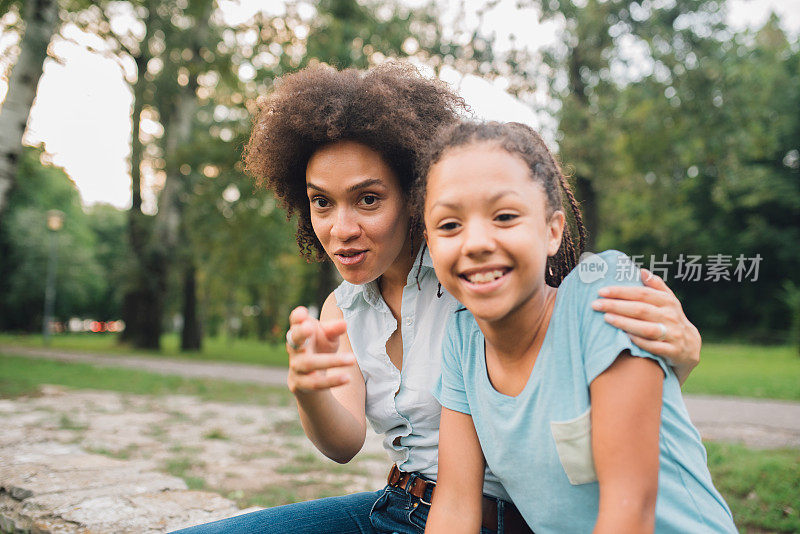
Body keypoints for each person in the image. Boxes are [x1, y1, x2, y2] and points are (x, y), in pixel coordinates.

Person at [173, 63, 702, 534]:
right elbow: (344, 443)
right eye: (321, 203)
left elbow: (576, 360)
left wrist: (680, 351)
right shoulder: (349, 310)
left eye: (369, 199)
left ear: (414, 196)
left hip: (497, 516)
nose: (343, 228)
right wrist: (309, 391)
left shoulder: (473, 286)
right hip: (397, 504)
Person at [420, 121, 736, 533]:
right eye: (449, 225)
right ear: (430, 243)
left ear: (552, 231)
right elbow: (455, 509)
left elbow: (630, 509)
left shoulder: (602, 292)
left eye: (505, 216)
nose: (476, 242)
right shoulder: (462, 341)